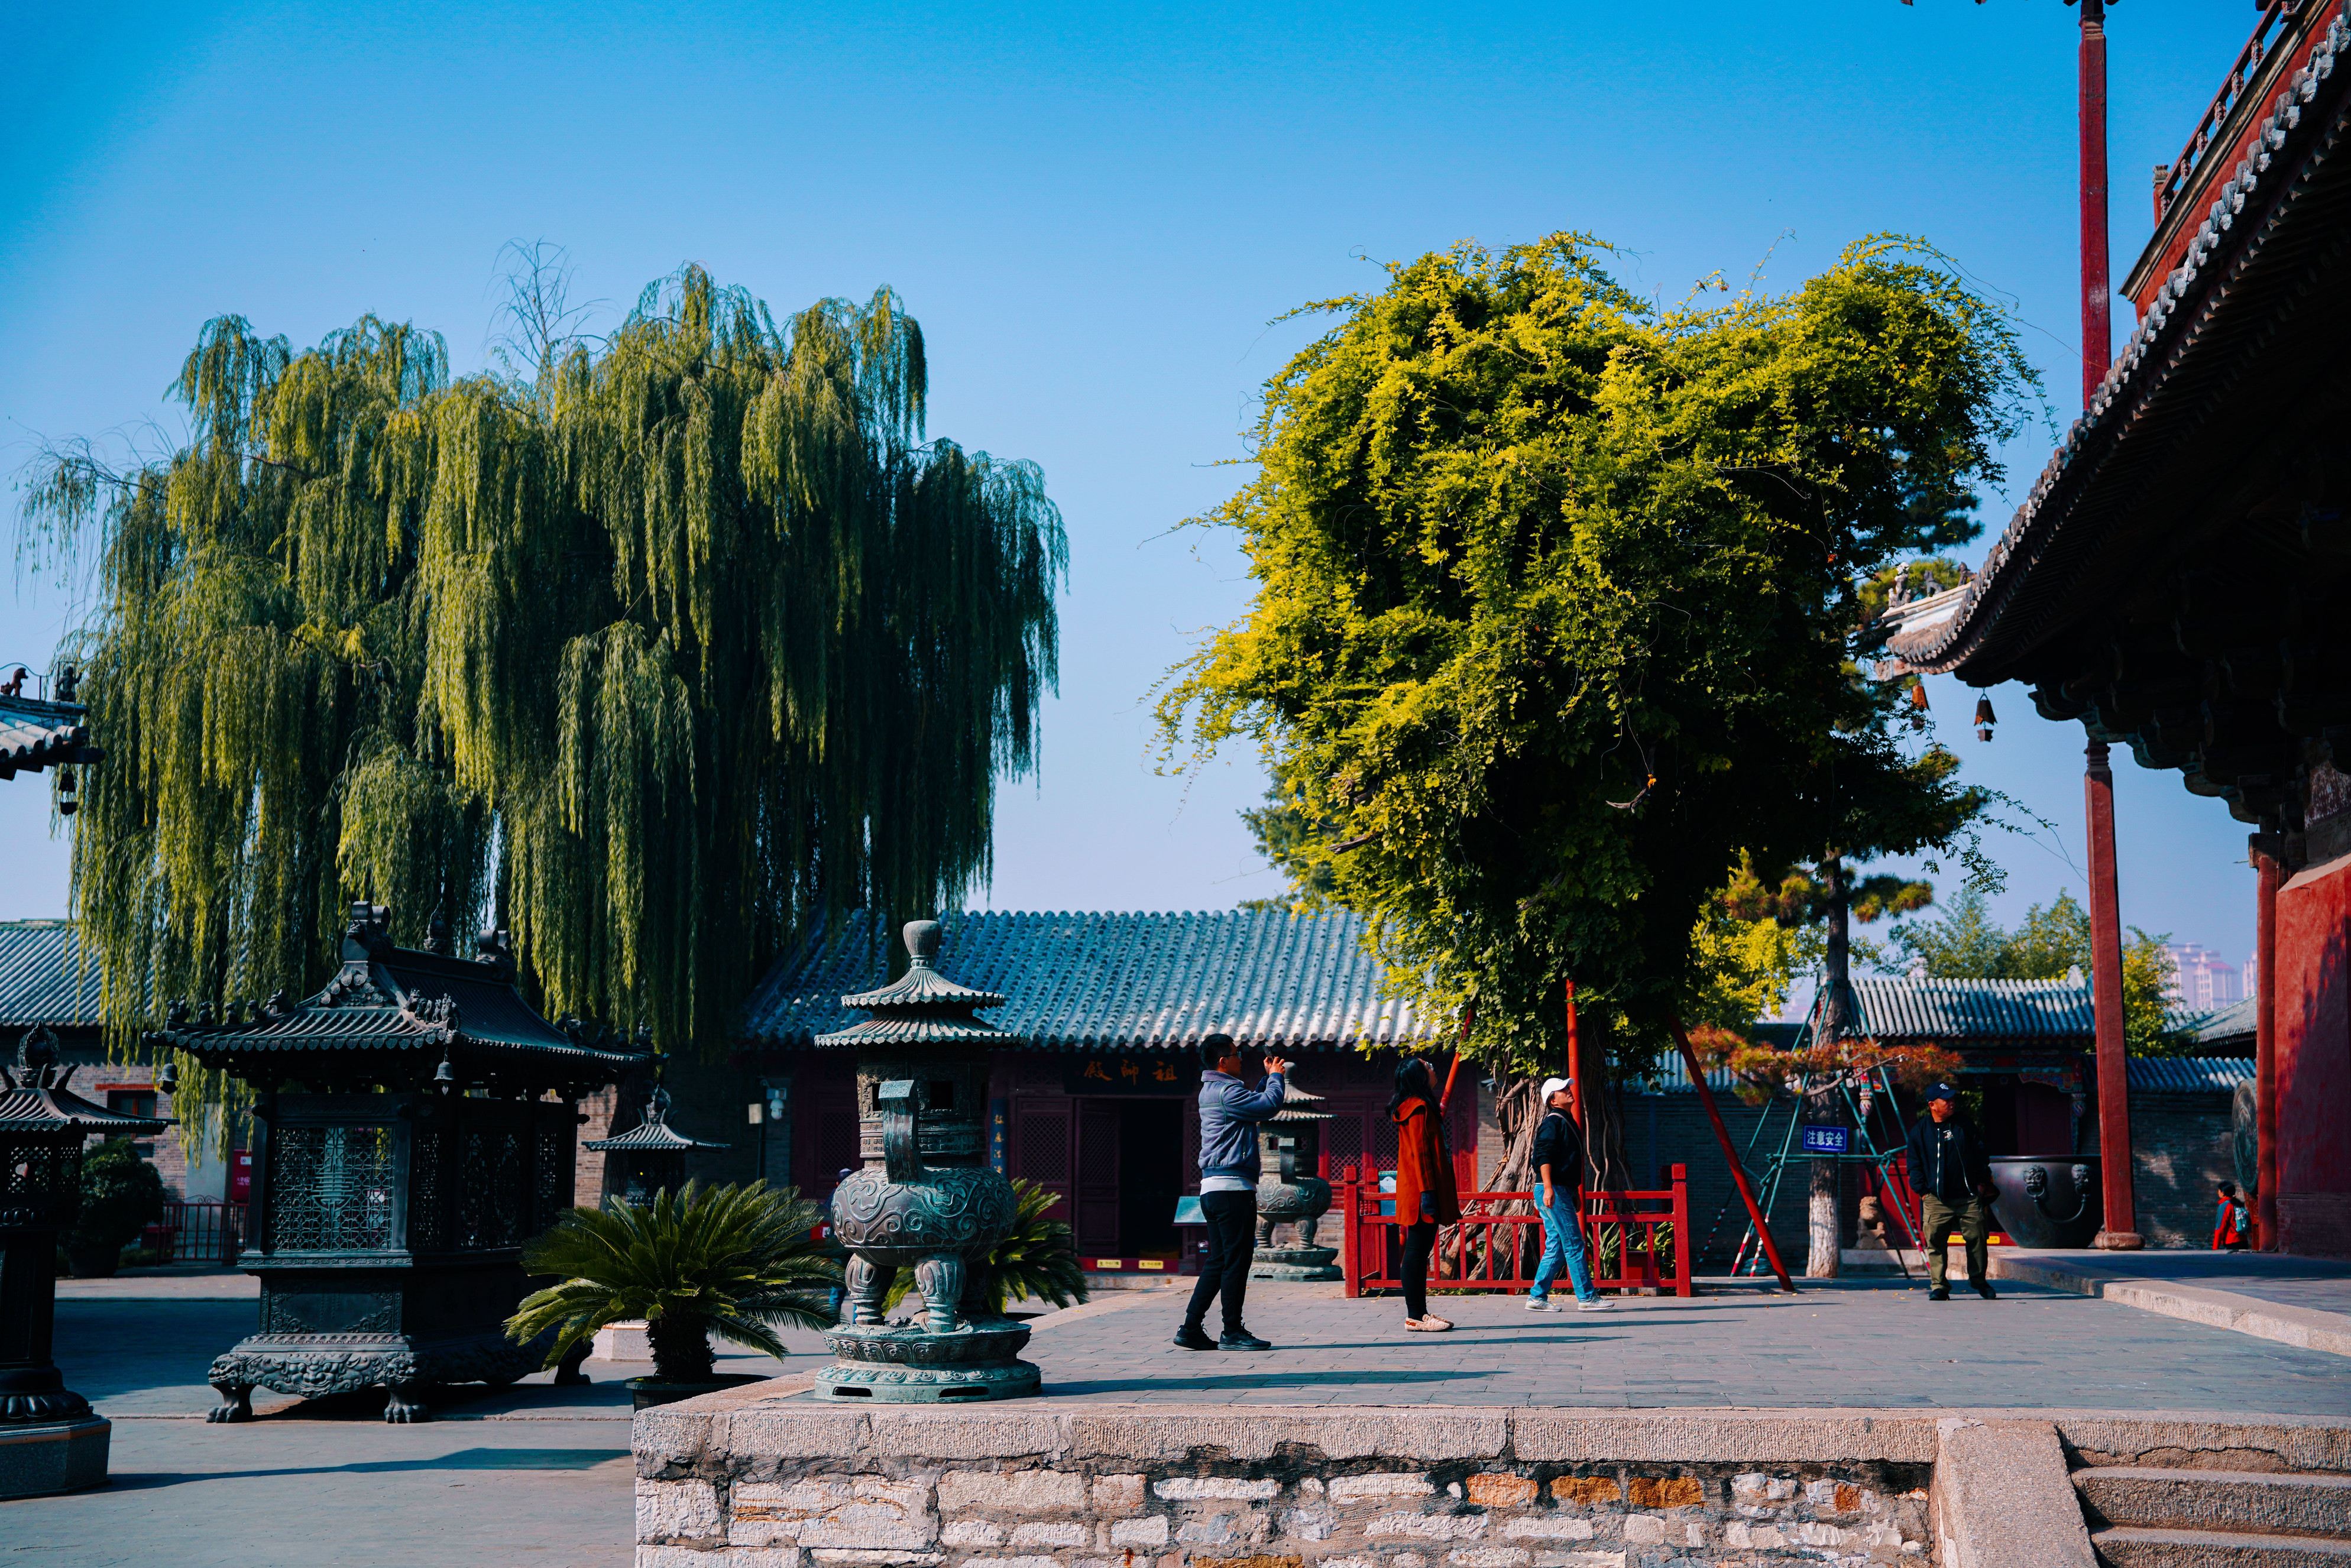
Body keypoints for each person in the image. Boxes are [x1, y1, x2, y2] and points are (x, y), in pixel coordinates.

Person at [1175, 1032, 1291, 1352]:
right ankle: (1231, 1331)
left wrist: (1266, 1080)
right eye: (1237, 1054)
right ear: (1223, 1061)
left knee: (1218, 1260)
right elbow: (1268, 1106)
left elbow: (1251, 1107)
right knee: (1237, 1261)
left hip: (1214, 1189)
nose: (1242, 1058)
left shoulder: (1213, 1090)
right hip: (1233, 1190)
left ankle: (1190, 1327)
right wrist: (1277, 1079)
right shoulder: (1227, 1091)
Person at [1903, 1083, 1997, 1301]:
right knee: (1935, 1242)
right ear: (1932, 1105)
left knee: (1977, 1238)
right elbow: (1914, 1165)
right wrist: (1924, 1192)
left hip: (1969, 1197)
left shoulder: (1964, 1125)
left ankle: (1979, 1280)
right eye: (1946, 1100)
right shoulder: (1919, 1132)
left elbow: (1981, 1152)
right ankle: (1939, 1285)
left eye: (1953, 1098)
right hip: (1936, 1199)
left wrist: (1982, 1182)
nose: (1951, 1102)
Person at [1526, 1077, 1610, 1313]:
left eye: (1568, 1087)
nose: (1568, 1091)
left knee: (1557, 1245)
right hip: (1553, 1189)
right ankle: (1587, 1297)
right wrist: (1550, 1187)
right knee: (1573, 1243)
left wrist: (1570, 1191)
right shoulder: (1553, 1122)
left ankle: (1537, 1296)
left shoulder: (1565, 1120)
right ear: (1553, 1099)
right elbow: (1543, 1156)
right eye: (1563, 1090)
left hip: (1559, 1189)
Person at [1391, 1055, 1461, 1331]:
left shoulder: (1420, 1105)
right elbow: (1420, 1154)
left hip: (1421, 1189)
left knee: (1419, 1252)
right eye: (1427, 1067)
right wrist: (1428, 1193)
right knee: (1416, 1252)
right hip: (1421, 1191)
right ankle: (1415, 1316)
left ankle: (1420, 1312)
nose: (1433, 1068)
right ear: (1420, 1077)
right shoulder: (1417, 1108)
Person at [2212, 1181, 2252, 1250]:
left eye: (2219, 1190)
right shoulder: (2238, 1203)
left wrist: (2215, 1248)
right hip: (2243, 1241)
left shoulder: (2224, 1206)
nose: (2218, 1192)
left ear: (2223, 1192)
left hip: (2231, 1242)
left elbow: (2220, 1228)